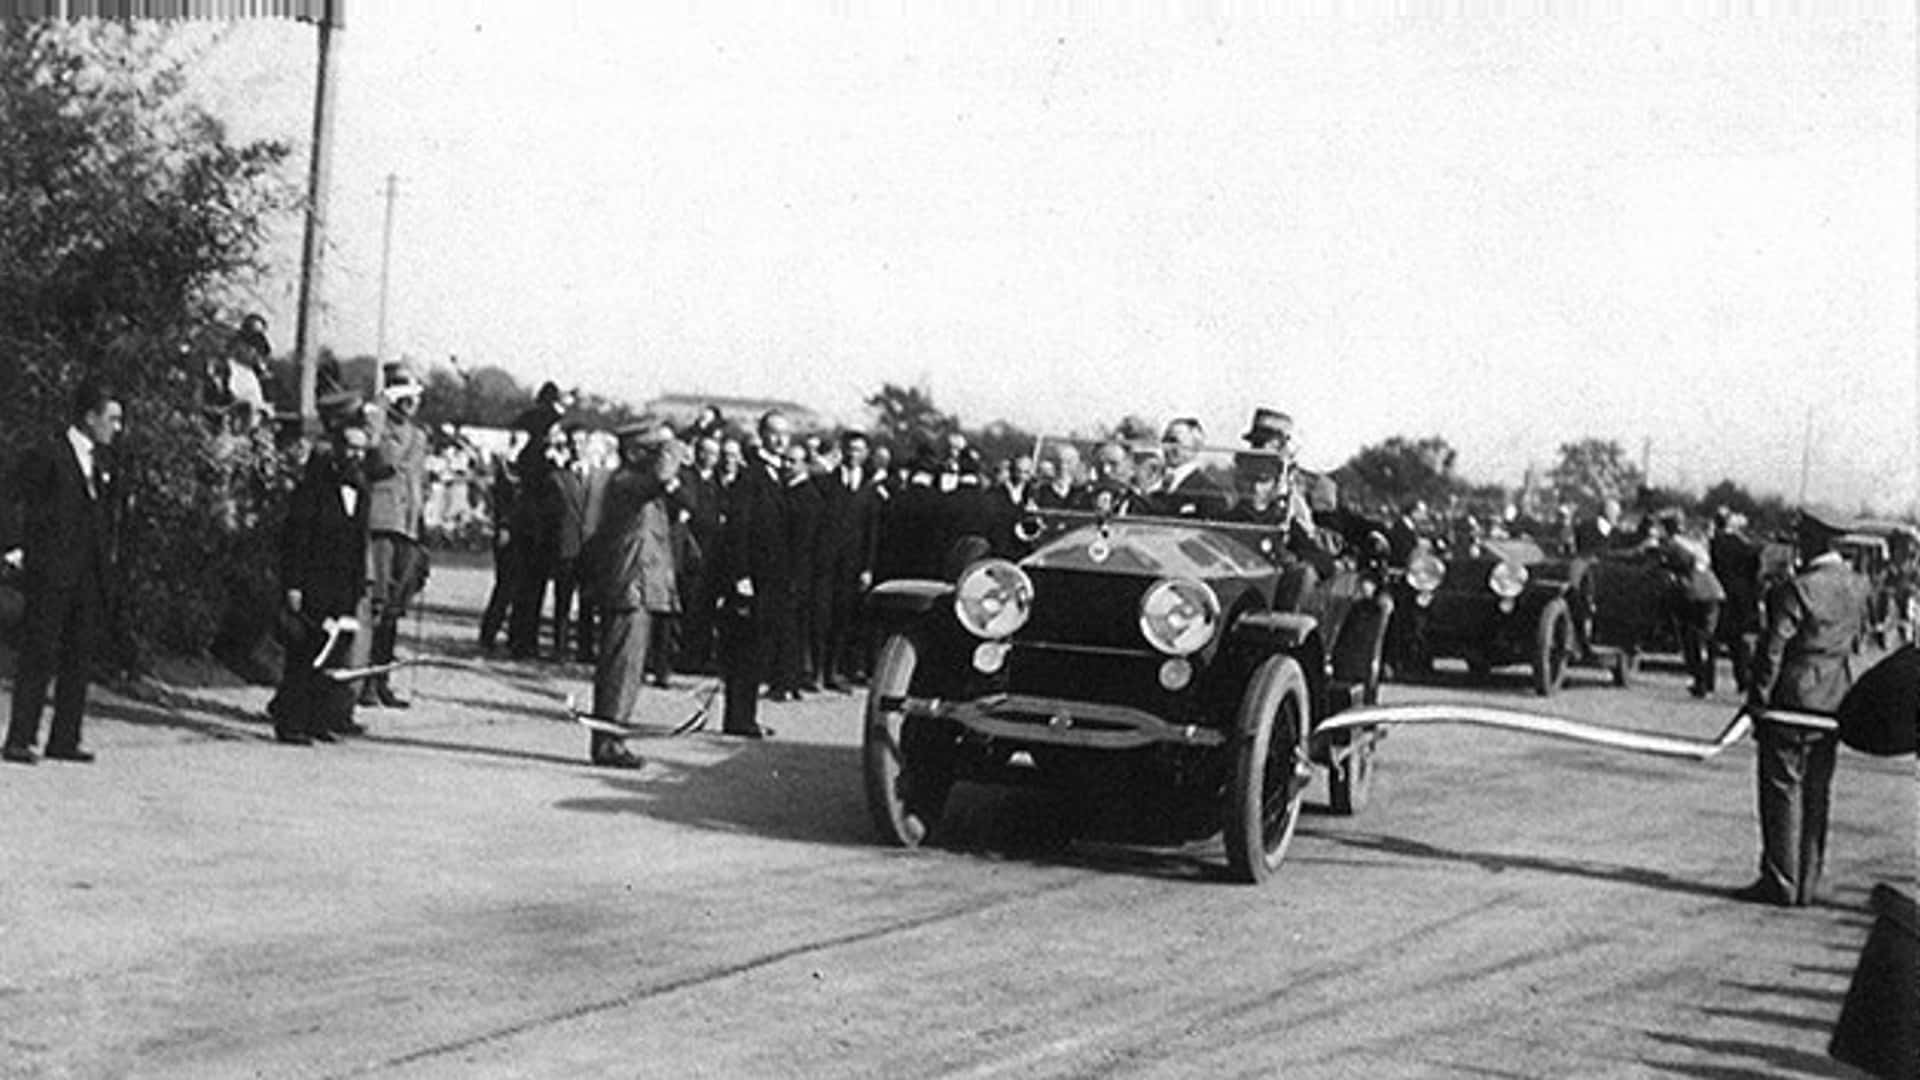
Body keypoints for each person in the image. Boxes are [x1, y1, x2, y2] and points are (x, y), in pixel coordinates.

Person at [1733, 509, 1872, 907]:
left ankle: (1780, 880)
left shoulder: (1798, 588)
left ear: (1812, 540)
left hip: (1791, 701)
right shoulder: (1858, 586)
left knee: (1781, 790)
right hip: (1834, 702)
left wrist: (1757, 699)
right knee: (1817, 793)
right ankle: (1807, 883)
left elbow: (1773, 648)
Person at [3, 381, 124, 765]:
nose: (117, 428)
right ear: (89, 417)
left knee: (79, 655)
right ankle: (20, 736)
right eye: (112, 419)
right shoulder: (50, 452)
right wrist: (14, 545)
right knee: (39, 652)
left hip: (88, 573)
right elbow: (10, 495)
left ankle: (65, 736)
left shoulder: (103, 461)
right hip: (52, 568)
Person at [579, 424, 685, 769]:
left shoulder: (638, 484)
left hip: (641, 587)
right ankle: (608, 743)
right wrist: (673, 444)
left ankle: (613, 737)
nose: (658, 454)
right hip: (629, 586)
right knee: (620, 667)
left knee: (628, 667)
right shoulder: (627, 481)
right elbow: (662, 473)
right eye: (651, 448)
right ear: (635, 452)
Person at [267, 420, 370, 745]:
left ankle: (317, 719)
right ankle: (291, 721)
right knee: (305, 651)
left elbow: (358, 544)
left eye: (361, 449)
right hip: (314, 581)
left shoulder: (360, 490)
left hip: (343, 585)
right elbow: (296, 539)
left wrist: (358, 585)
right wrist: (293, 585)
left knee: (333, 653)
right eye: (350, 447)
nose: (355, 454)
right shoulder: (313, 488)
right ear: (336, 448)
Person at [715, 411, 791, 738]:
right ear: (762, 435)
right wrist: (740, 574)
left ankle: (746, 716)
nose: (780, 440)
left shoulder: (776, 474)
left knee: (756, 649)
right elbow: (739, 529)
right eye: (774, 433)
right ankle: (739, 718)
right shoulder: (752, 476)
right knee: (746, 650)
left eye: (784, 434)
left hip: (770, 576)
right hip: (752, 577)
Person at [361, 363, 430, 707]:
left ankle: (381, 678)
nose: (410, 403)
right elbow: (379, 459)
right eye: (403, 395)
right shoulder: (379, 427)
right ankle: (364, 682)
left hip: (407, 525)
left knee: (394, 609)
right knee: (377, 604)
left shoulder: (419, 437)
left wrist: (421, 524)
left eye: (414, 396)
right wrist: (379, 407)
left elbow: (420, 482)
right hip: (382, 521)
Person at [1647, 509, 1726, 697]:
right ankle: (1707, 682)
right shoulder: (1693, 541)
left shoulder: (1673, 545)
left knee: (1693, 640)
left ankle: (1701, 682)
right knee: (1704, 639)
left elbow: (1670, 563)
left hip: (1694, 593)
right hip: (1712, 592)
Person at [549, 426, 593, 663]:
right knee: (563, 600)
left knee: (588, 601)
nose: (577, 447)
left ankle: (585, 649)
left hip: (590, 547)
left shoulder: (598, 476)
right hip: (566, 546)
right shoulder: (557, 477)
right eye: (573, 443)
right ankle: (561, 647)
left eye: (582, 442)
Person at [1709, 506, 1762, 693]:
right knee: (1737, 642)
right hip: (1739, 598)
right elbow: (1755, 570)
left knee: (1711, 639)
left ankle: (1707, 681)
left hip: (1718, 593)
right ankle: (1742, 679)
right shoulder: (1745, 545)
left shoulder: (1714, 543)